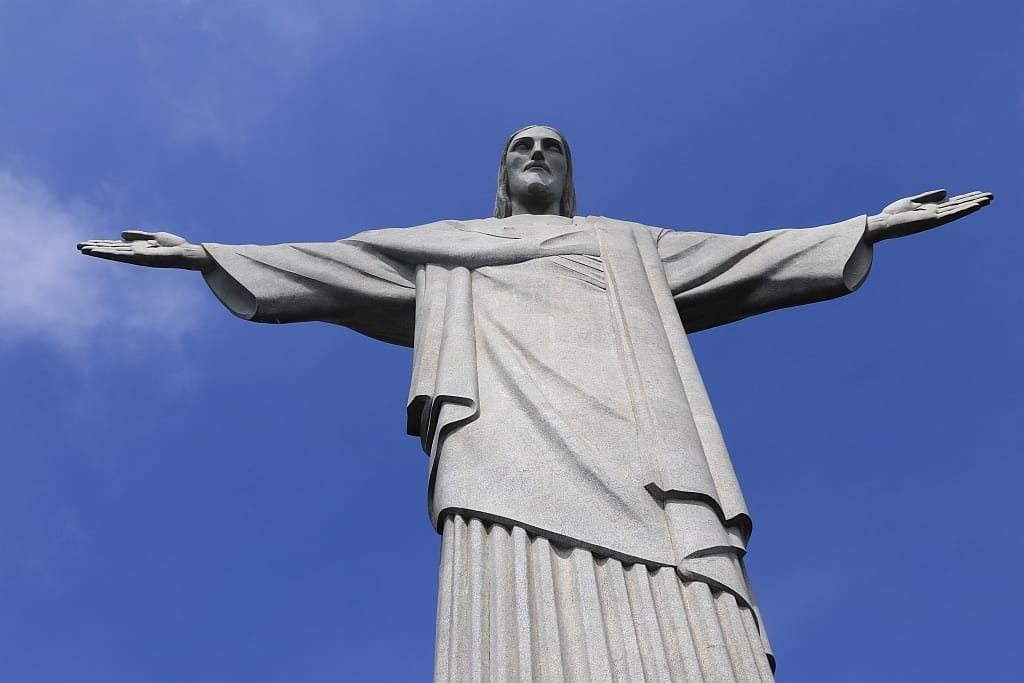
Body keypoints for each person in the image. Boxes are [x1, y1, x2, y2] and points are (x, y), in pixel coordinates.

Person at [79, 125, 992, 682]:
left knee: (679, 590)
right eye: (521, 145)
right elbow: (332, 265)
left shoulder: (628, 244)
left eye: (553, 146)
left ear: (569, 170)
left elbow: (747, 257)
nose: (537, 154)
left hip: (640, 441)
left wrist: (864, 226)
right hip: (503, 441)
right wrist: (206, 254)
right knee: (508, 585)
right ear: (501, 170)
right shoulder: (445, 246)